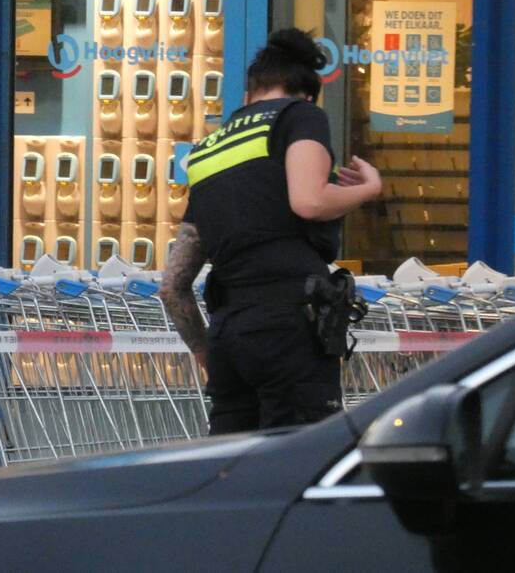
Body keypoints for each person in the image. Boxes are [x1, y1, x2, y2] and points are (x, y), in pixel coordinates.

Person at [160, 28, 382, 435]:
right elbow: (309, 202)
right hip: (289, 326)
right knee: (301, 464)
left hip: (228, 334)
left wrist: (205, 350)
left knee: (229, 471)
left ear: (248, 96)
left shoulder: (207, 153)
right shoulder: (301, 116)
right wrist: (368, 189)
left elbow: (173, 286)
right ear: (307, 93)